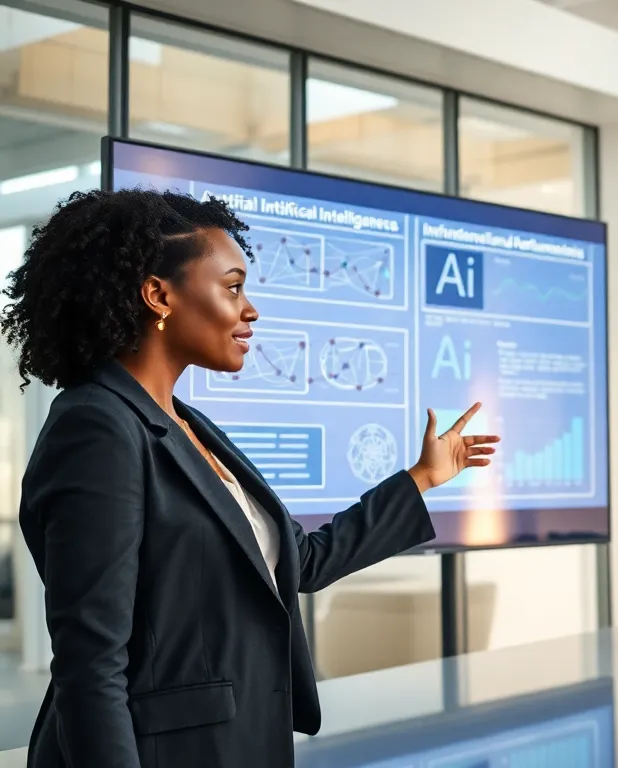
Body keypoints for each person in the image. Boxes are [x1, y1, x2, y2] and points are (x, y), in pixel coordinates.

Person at [1, 189, 500, 768]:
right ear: (158, 296)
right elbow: (91, 661)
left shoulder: (188, 425)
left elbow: (301, 559)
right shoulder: (98, 427)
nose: (251, 309)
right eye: (232, 287)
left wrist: (421, 479)